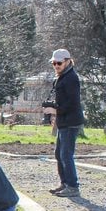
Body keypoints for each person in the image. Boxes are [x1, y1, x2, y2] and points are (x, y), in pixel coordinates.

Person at [42, 49, 85, 198]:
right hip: (64, 121)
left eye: (59, 63)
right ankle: (65, 183)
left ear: (67, 61)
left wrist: (54, 109)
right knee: (59, 154)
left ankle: (73, 186)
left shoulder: (71, 78)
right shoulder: (62, 77)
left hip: (70, 122)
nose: (56, 65)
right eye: (54, 63)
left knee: (66, 154)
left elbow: (72, 104)